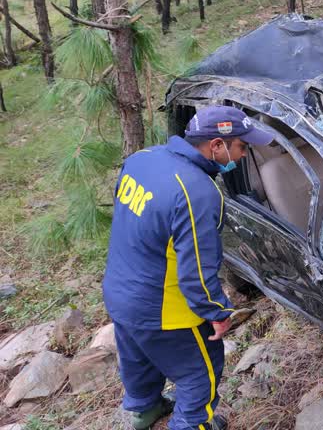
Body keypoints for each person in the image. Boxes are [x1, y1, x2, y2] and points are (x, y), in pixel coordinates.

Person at [103, 106, 273, 430]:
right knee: (200, 371)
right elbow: (196, 268)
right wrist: (216, 312)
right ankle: (191, 423)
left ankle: (146, 410)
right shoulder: (196, 191)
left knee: (138, 357)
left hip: (119, 290)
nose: (245, 152)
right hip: (161, 307)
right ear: (216, 146)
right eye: (241, 146)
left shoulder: (142, 158)